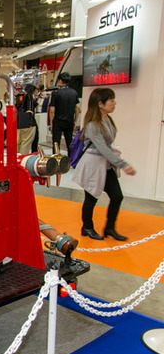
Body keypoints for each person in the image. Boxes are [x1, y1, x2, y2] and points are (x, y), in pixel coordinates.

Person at [72, 87, 136, 241]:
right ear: (100, 104)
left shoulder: (107, 119)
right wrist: (122, 164)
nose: (114, 103)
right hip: (93, 165)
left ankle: (110, 228)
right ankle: (87, 227)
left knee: (117, 196)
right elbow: (102, 149)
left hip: (105, 165)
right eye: (111, 100)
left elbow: (107, 148)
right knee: (91, 198)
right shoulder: (93, 125)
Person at [49, 72, 80, 154]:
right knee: (69, 142)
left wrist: (51, 121)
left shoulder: (56, 93)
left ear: (60, 80)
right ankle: (71, 160)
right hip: (69, 120)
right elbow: (78, 108)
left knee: (56, 142)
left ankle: (56, 160)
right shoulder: (74, 93)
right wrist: (75, 120)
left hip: (58, 121)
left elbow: (52, 109)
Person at [16, 84, 38, 155]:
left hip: (19, 121)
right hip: (28, 123)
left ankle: (16, 160)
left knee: (18, 143)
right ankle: (22, 161)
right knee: (25, 143)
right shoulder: (29, 96)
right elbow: (30, 110)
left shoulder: (19, 96)